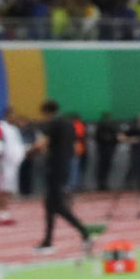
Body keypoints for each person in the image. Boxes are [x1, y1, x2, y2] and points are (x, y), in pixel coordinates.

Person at [31, 100, 92, 253]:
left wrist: (28, 152)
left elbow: (41, 144)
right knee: (50, 206)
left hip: (54, 167)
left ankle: (84, 232)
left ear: (46, 112)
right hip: (65, 166)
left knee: (57, 206)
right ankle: (48, 241)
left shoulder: (53, 123)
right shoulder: (69, 124)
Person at [0, 107, 25, 226]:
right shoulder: (1, 126)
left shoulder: (14, 129)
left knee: (4, 189)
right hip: (3, 163)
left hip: (12, 164)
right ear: (7, 115)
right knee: (4, 189)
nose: (15, 117)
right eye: (13, 115)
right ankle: (3, 214)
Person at [94, 114, 120, 190]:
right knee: (106, 166)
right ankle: (103, 183)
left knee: (102, 166)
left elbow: (97, 137)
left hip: (103, 148)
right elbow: (116, 138)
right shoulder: (112, 126)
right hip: (108, 148)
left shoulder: (100, 126)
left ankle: (102, 183)